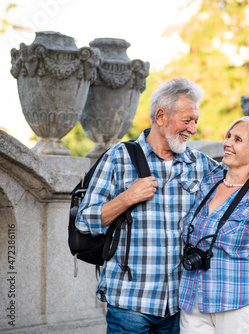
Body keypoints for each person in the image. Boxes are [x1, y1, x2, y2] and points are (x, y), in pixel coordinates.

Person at [75, 77, 225, 333]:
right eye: (187, 120)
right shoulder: (118, 157)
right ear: (161, 116)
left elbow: (238, 183)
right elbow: (85, 220)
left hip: (180, 307)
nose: (193, 129)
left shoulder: (201, 164)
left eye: (195, 121)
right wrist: (127, 197)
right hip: (130, 304)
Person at [178, 116, 249, 334]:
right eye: (228, 136)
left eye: (238, 139)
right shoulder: (208, 181)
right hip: (193, 300)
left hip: (239, 302)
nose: (227, 143)